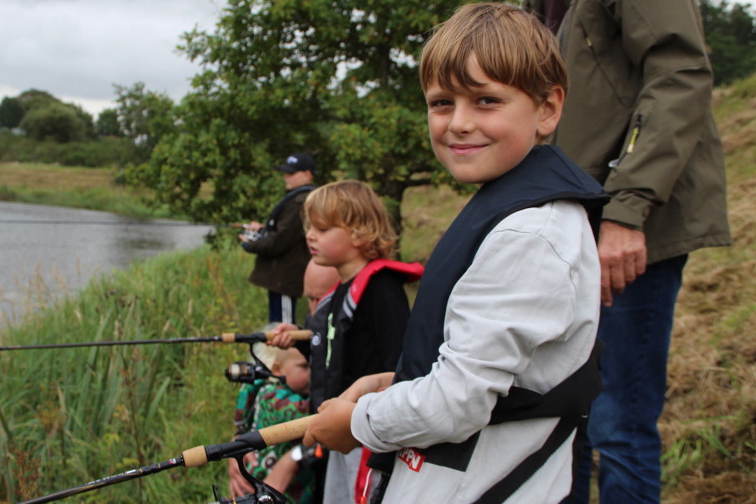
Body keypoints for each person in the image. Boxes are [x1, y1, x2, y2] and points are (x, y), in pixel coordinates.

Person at [302, 4, 610, 502]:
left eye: (486, 100)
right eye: (442, 102)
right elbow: (484, 367)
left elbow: (458, 402)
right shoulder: (509, 207)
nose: (459, 123)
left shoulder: (530, 235)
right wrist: (393, 381)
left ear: (548, 108)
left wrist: (358, 424)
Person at [522, 1, 732, 502]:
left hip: (624, 225)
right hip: (569, 221)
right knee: (566, 418)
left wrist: (627, 207)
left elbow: (680, 74)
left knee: (618, 424)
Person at [272, 180, 423, 504]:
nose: (310, 235)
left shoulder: (381, 289)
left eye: (322, 228)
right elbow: (339, 348)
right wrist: (298, 341)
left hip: (365, 436)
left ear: (359, 233)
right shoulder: (344, 287)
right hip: (340, 434)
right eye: (310, 226)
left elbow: (398, 365)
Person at [227, 346, 316, 503]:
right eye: (304, 367)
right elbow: (319, 416)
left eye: (315, 367)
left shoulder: (263, 390)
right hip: (272, 484)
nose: (313, 374)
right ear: (277, 369)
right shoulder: (278, 400)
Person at [240, 153, 316, 324]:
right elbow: (285, 232)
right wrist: (263, 229)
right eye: (285, 173)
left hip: (286, 278)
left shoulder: (300, 202)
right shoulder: (298, 200)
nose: (286, 177)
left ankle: (285, 352)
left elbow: (279, 241)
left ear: (307, 174)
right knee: (277, 326)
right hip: (281, 278)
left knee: (283, 328)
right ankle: (276, 351)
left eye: (292, 173)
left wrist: (250, 244)